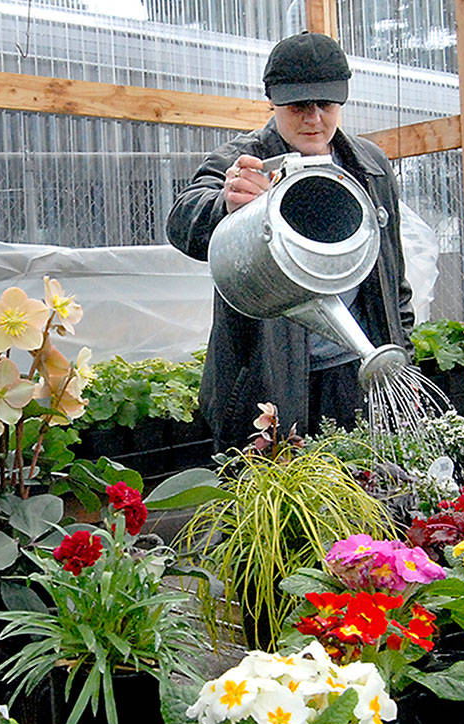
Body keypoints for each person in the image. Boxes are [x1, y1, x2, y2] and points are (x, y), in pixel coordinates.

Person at [166, 32, 416, 452]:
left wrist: (399, 351)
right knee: (276, 507)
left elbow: (393, 275)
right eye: (300, 105)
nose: (314, 119)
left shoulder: (370, 166)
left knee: (361, 493)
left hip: (353, 372)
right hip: (268, 383)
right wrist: (228, 209)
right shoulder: (244, 162)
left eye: (327, 104)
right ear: (273, 101)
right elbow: (182, 220)